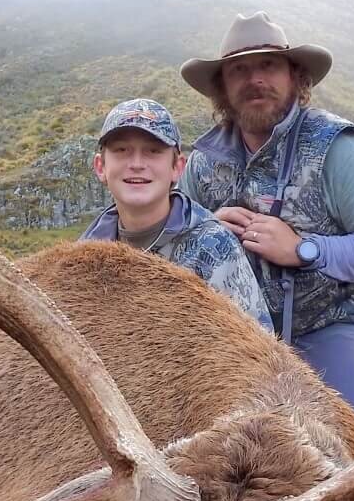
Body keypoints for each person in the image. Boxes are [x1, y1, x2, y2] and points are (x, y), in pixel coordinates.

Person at [179, 13, 354, 425]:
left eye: (268, 66)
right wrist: (208, 229)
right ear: (223, 86)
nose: (255, 79)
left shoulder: (338, 149)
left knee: (344, 435)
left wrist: (304, 249)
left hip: (346, 320)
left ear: (295, 76)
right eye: (239, 69)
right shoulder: (203, 164)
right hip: (244, 332)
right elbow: (173, 245)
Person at [80, 98, 274, 332]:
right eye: (122, 150)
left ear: (177, 167)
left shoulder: (213, 248)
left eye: (153, 151)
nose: (137, 164)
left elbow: (259, 348)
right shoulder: (85, 254)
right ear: (101, 167)